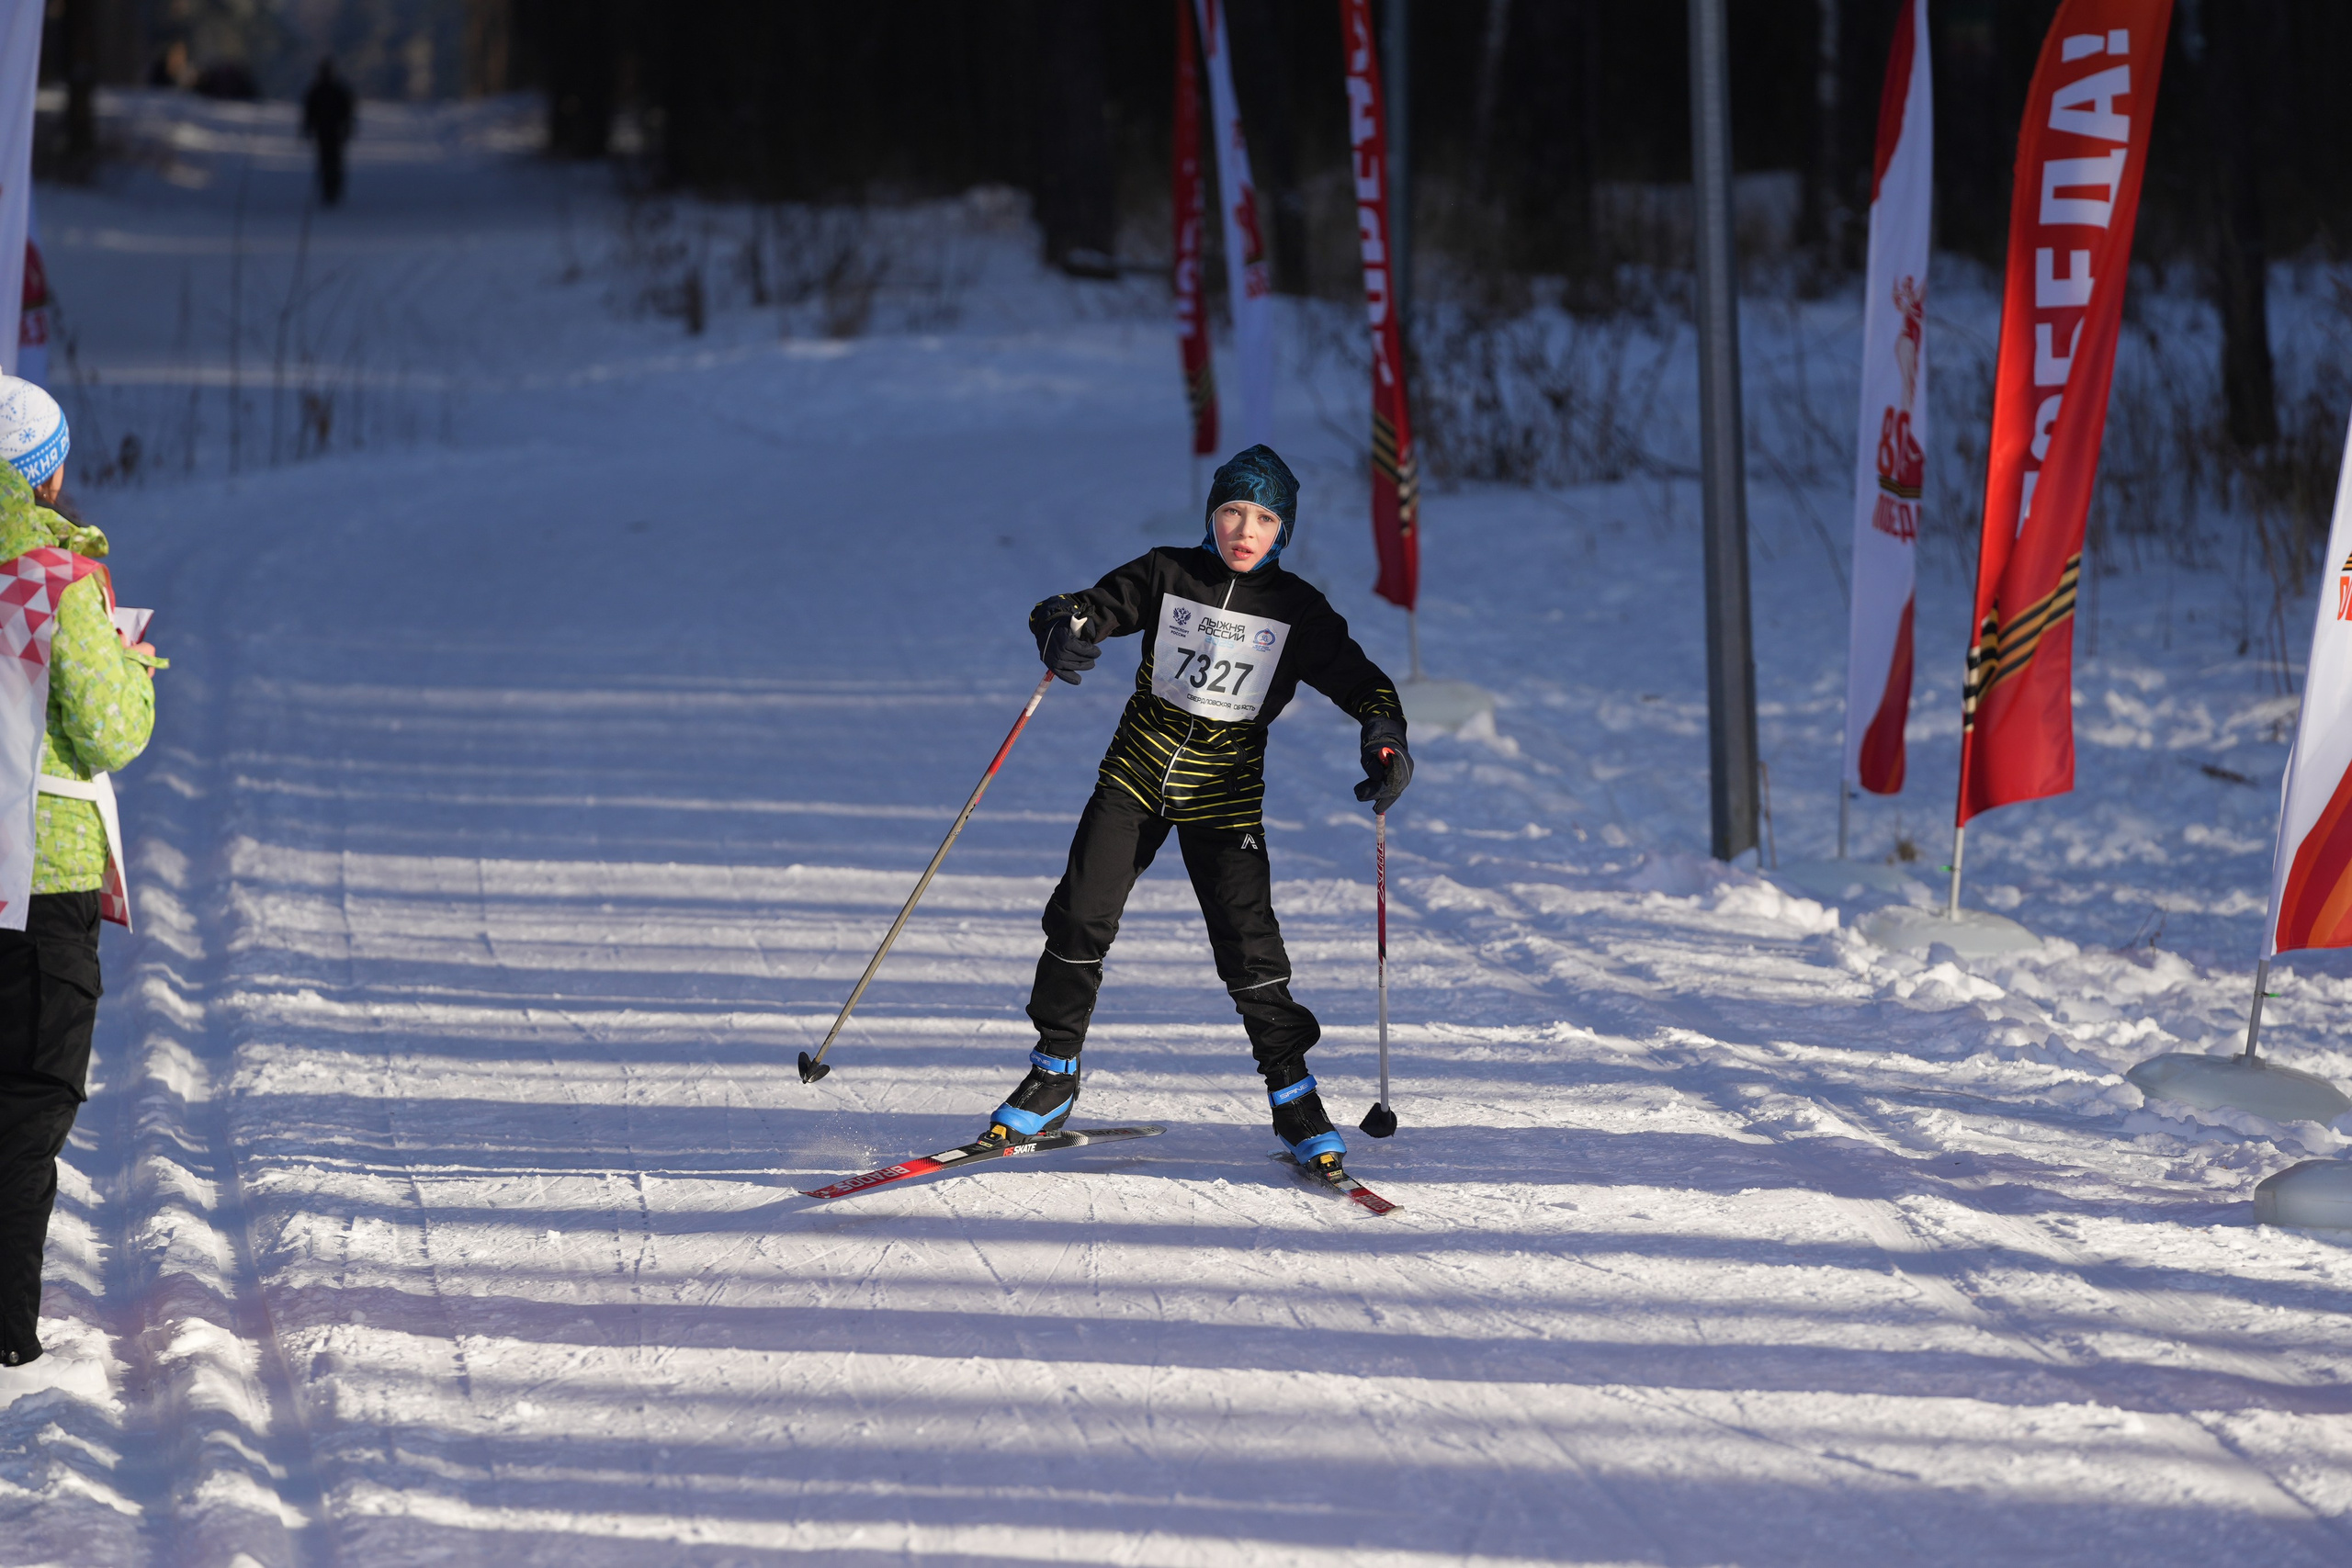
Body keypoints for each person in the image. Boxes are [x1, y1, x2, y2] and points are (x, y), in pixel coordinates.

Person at [984, 445, 1412, 1180]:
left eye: (1265, 516)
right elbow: (1083, 607)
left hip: (1224, 794)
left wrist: (1384, 735)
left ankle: (1293, 1093)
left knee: (1249, 947)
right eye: (1232, 511)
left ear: (1285, 529)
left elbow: (1363, 682)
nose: (1246, 529)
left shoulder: (1296, 609)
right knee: (1080, 914)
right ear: (1211, 514)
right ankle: (1054, 1070)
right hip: (1136, 773)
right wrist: (1060, 626)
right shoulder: (1166, 573)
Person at [0, 378, 157, 1369]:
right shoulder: (54, 578)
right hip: (38, 877)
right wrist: (134, 669)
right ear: (44, 470)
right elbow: (107, 731)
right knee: (26, 1097)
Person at [300, 58, 356, 207]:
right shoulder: (317, 91)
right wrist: (306, 129)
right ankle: (328, 191)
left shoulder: (334, 91)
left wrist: (348, 129)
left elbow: (348, 113)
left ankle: (333, 191)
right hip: (324, 133)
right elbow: (309, 113)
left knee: (333, 162)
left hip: (334, 132)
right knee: (326, 162)